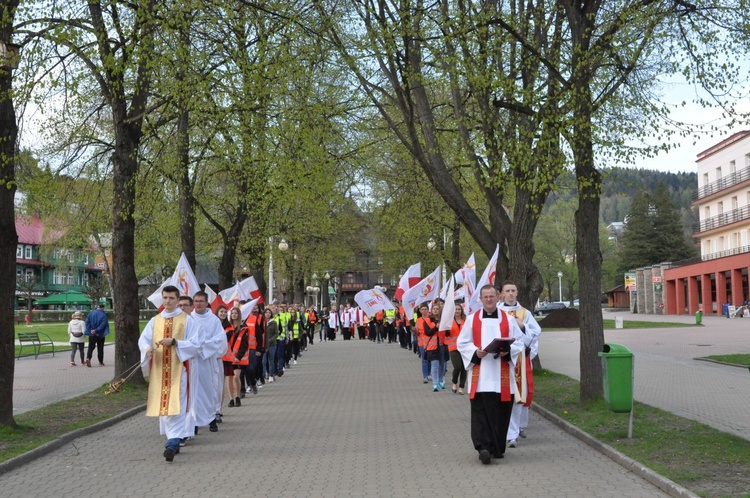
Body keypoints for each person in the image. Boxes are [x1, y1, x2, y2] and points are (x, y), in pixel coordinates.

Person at [457, 285, 525, 464]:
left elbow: (519, 342)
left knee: (501, 412)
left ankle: (496, 447)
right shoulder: (472, 320)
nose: (488, 299)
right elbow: (462, 343)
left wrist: (508, 351)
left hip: (501, 376)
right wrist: (475, 352)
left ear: (498, 297)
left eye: (492, 296)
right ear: (480, 298)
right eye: (485, 296)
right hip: (480, 377)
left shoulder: (508, 320)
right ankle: (483, 447)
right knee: (480, 412)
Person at [138, 285, 200, 462]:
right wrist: (147, 348)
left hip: (179, 369)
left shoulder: (187, 320)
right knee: (162, 403)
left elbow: (196, 343)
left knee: (176, 403)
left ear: (177, 299)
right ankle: (172, 439)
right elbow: (143, 339)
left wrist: (175, 342)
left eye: (171, 298)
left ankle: (173, 441)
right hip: (159, 369)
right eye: (165, 298)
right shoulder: (155, 320)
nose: (168, 301)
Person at [498, 281, 541, 447]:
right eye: (507, 291)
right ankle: (504, 430)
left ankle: (513, 433)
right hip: (501, 359)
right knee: (502, 395)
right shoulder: (498, 312)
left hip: (519, 361)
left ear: (517, 293)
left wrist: (522, 326)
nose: (510, 293)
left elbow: (535, 333)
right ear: (501, 294)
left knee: (517, 396)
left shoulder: (525, 313)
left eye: (513, 291)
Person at [190, 291, 228, 432]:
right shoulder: (189, 319)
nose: (198, 304)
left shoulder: (214, 320)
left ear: (206, 303)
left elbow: (219, 340)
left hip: (209, 361)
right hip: (194, 362)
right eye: (196, 301)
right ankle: (194, 423)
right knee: (195, 393)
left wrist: (201, 347)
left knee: (210, 390)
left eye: (201, 301)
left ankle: (212, 419)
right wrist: (194, 347)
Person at [446, 305, 467, 394]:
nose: (457, 311)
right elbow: (446, 334)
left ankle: (461, 387)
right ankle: (454, 382)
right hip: (453, 347)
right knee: (457, 367)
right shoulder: (449, 321)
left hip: (464, 348)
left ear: (461, 311)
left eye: (459, 309)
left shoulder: (465, 321)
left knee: (464, 368)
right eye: (455, 309)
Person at [263, 308, 278, 382]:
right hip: (263, 345)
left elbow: (276, 333)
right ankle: (265, 373)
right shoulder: (262, 322)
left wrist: (271, 339)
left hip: (272, 344)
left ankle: (271, 375)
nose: (268, 314)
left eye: (269, 313)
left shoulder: (274, 322)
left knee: (271, 360)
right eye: (266, 313)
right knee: (264, 361)